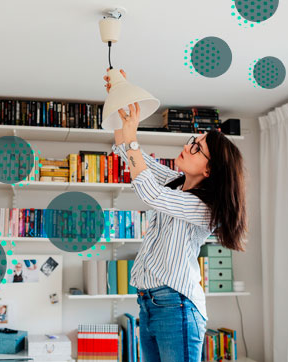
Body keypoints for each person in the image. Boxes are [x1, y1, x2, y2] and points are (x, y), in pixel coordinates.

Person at [104, 69, 248, 361]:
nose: (187, 145)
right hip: (148, 303)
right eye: (193, 140)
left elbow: (150, 193)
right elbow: (127, 152)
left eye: (197, 148)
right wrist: (119, 97)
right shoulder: (174, 181)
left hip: (177, 306)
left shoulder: (203, 208)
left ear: (209, 170)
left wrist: (132, 140)